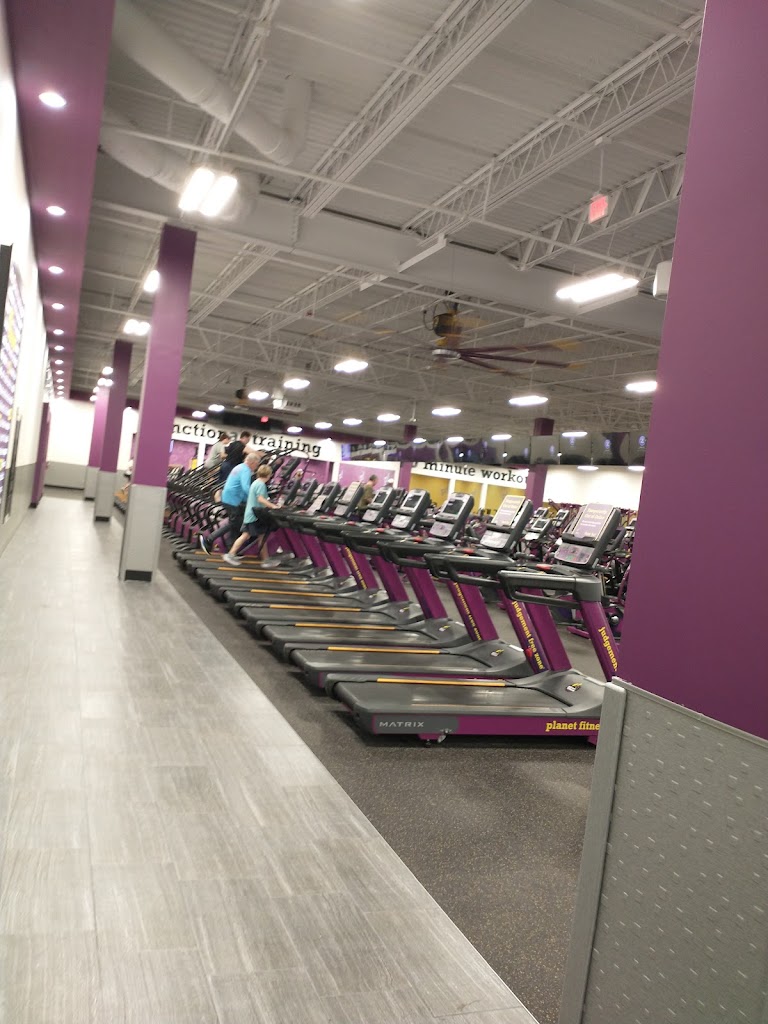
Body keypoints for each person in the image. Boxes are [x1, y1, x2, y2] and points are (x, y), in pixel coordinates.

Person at [200, 451, 260, 553]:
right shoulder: (246, 470)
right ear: (252, 462)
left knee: (237, 523)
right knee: (235, 523)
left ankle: (230, 548)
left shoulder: (239, 467)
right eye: (257, 465)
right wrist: (256, 498)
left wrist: (248, 500)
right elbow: (246, 488)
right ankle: (209, 539)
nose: (256, 467)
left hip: (228, 498)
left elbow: (240, 488)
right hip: (233, 500)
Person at [224, 464, 279, 565]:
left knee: (261, 536)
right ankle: (230, 554)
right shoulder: (261, 485)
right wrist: (273, 506)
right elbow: (261, 499)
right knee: (247, 535)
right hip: (254, 516)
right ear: (269, 475)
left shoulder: (256, 482)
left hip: (253, 514)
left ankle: (265, 559)